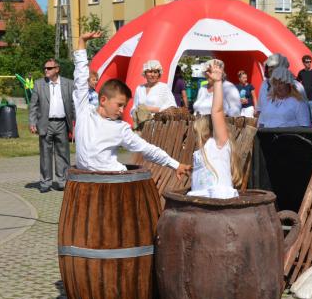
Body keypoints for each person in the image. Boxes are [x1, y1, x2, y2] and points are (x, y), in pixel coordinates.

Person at [73, 31, 191, 176]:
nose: (122, 110)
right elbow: (80, 77)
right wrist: (81, 43)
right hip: (83, 180)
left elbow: (147, 149)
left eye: (124, 106)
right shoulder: (84, 111)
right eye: (119, 105)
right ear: (103, 100)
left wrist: (175, 165)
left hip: (113, 180)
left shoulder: (120, 128)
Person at [188, 60, 241, 199]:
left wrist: (217, 82)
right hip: (200, 203)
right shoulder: (201, 150)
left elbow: (217, 111)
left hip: (220, 202)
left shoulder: (218, 145)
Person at [29, 58, 75, 193]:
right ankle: (45, 182)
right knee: (45, 154)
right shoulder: (39, 84)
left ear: (57, 69)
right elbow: (33, 105)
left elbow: (73, 105)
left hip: (62, 123)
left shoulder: (68, 84)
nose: (46, 70)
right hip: (45, 123)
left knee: (63, 154)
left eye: (49, 68)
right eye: (45, 68)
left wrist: (76, 122)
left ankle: (62, 181)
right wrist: (32, 122)